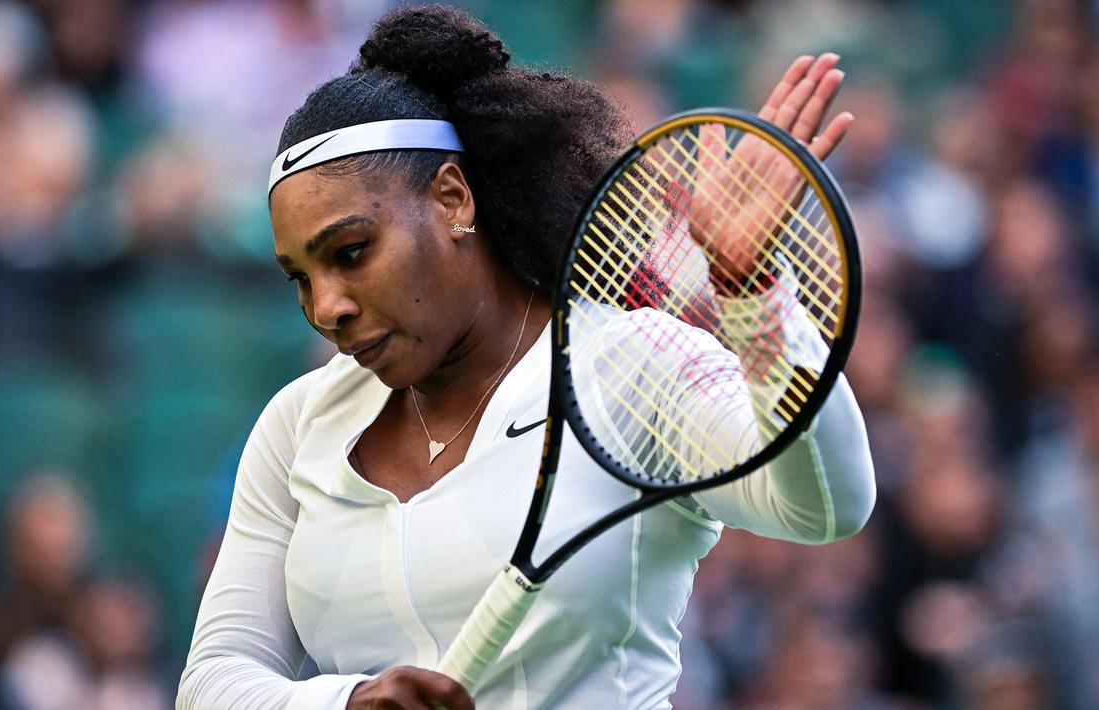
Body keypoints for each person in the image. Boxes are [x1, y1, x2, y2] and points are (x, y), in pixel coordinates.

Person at [177, 5, 875, 709]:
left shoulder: (633, 366)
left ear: (451, 198)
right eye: (300, 276)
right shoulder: (298, 423)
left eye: (351, 253)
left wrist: (749, 293)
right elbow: (213, 679)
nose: (326, 307)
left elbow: (825, 505)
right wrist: (347, 703)